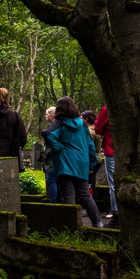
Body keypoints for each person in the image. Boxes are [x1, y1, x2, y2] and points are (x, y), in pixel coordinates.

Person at [43, 96, 102, 227]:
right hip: (81, 163)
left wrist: (58, 147)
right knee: (85, 195)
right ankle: (98, 223)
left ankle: (70, 226)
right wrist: (92, 162)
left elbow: (47, 134)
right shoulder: (82, 124)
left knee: (68, 194)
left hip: (64, 163)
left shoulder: (59, 123)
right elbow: (90, 145)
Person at [94, 105, 118, 223]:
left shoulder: (107, 108)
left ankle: (116, 213)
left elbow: (98, 128)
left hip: (112, 149)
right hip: (133, 152)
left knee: (113, 183)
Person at [41, 106, 59, 203]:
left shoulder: (54, 127)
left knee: (51, 180)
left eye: (47, 114)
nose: (45, 116)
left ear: (52, 115)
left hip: (52, 158)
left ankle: (53, 202)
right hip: (51, 158)